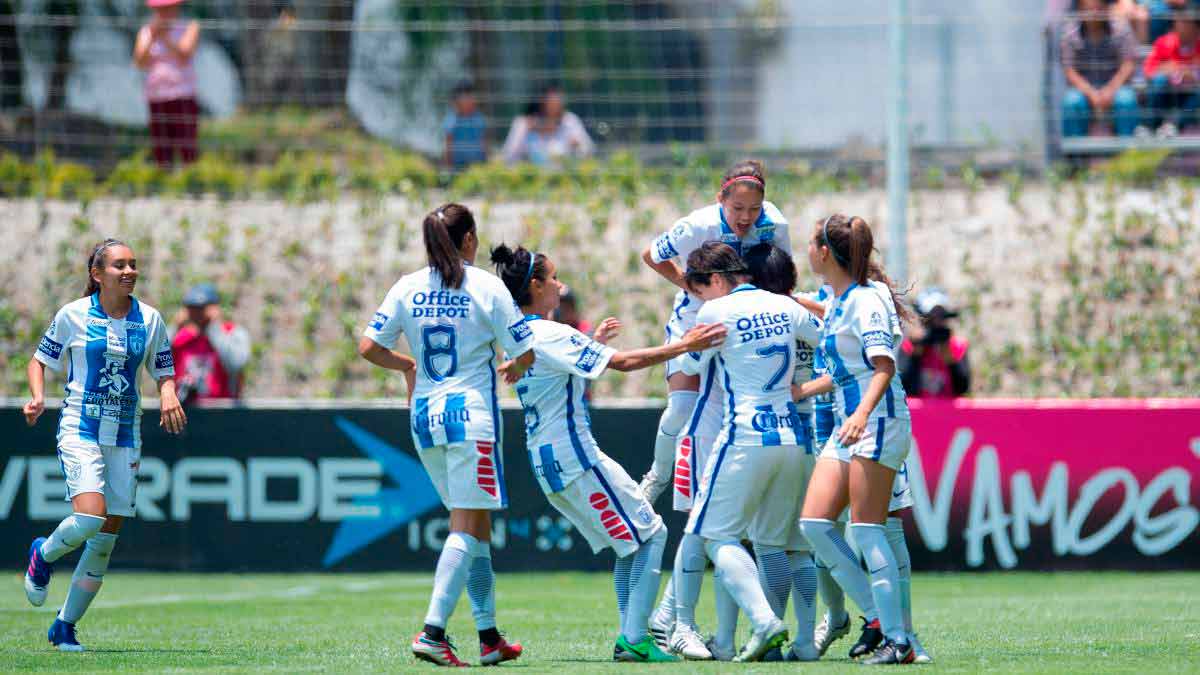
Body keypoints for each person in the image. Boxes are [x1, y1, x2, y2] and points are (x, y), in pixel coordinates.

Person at [491, 243, 725, 663]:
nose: (561, 286)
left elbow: (555, 376)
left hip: (551, 461)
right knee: (653, 534)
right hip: (574, 456)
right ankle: (635, 639)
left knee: (632, 543)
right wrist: (683, 344)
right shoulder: (549, 334)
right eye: (555, 277)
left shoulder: (521, 337)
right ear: (536, 285)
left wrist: (591, 343)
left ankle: (631, 635)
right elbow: (625, 363)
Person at [358, 203, 534, 667]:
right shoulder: (487, 286)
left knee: (476, 526)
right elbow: (526, 349)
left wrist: (408, 365)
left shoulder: (407, 286)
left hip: (424, 418)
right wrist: (517, 364)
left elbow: (368, 347)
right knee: (466, 526)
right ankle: (433, 631)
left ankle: (489, 635)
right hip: (470, 418)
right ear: (470, 239)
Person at [640, 160, 791, 659]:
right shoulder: (698, 227)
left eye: (754, 208)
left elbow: (781, 280)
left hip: (741, 340)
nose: (747, 217)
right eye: (738, 208)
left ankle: (680, 622)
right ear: (721, 200)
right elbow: (650, 254)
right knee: (681, 413)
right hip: (705, 327)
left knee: (714, 523)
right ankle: (658, 475)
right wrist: (691, 284)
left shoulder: (776, 223)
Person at [21, 238, 187, 651]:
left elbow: (163, 368)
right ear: (97, 274)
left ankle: (64, 625)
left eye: (133, 264)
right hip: (81, 428)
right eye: (119, 265)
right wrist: (38, 396)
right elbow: (41, 359)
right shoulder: (73, 315)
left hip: (126, 435)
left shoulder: (149, 319)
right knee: (91, 518)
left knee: (105, 539)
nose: (129, 271)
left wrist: (168, 392)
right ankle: (43, 554)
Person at [677, 242, 821, 663]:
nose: (699, 298)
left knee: (714, 536)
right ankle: (774, 638)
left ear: (717, 280)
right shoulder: (782, 305)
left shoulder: (714, 312)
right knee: (777, 544)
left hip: (744, 435)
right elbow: (827, 339)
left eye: (700, 288)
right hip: (791, 437)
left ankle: (763, 621)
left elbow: (688, 367)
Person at [794, 214, 917, 665]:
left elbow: (883, 366)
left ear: (825, 252)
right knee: (814, 525)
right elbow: (848, 370)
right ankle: (880, 619)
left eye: (810, 243)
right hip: (852, 425)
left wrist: (862, 414)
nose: (806, 250)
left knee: (867, 532)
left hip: (876, 422)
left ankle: (900, 641)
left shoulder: (864, 300)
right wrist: (804, 390)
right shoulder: (842, 299)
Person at [134, 0, 201, 167]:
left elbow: (185, 54)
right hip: (157, 95)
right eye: (160, 9)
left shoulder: (189, 27)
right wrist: (153, 37)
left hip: (182, 94)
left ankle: (190, 181)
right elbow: (139, 62)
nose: (163, 13)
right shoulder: (147, 31)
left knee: (187, 145)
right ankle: (163, 180)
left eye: (167, 8)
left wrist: (164, 37)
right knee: (161, 146)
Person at [1060, 0, 1142, 138]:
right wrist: (1091, 93)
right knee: (1071, 101)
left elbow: (1128, 64)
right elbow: (1069, 70)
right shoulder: (1070, 33)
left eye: (1098, 8)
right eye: (1089, 8)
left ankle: (1127, 153)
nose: (1094, 13)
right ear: (1080, 9)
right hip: (1084, 91)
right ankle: (1076, 157)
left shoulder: (1121, 29)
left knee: (1126, 100)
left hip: (1116, 88)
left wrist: (1110, 90)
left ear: (1106, 8)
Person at [171, 283, 251, 403]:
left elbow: (235, 364)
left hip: (223, 411)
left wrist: (213, 327)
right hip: (185, 412)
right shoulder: (181, 338)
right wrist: (175, 327)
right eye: (192, 308)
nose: (197, 313)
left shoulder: (232, 333)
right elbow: (156, 364)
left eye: (201, 308)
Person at [899, 287, 970, 399]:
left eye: (941, 315)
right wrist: (916, 355)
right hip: (919, 414)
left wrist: (950, 360)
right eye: (932, 316)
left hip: (948, 413)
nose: (937, 322)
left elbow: (962, 388)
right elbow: (904, 387)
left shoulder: (958, 347)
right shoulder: (909, 346)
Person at [501, 85, 594, 165]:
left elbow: (588, 149)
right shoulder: (523, 123)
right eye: (550, 103)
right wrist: (525, 132)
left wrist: (577, 145)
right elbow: (508, 155)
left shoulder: (569, 121)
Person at [1144, 14, 1200, 136]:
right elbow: (1149, 71)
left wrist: (1193, 76)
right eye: (1178, 23)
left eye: (1186, 23)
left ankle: (1173, 125)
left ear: (1196, 28)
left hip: (1192, 96)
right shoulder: (1164, 43)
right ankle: (1150, 126)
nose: (1180, 27)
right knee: (1159, 81)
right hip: (1168, 92)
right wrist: (1165, 69)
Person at [443, 82, 487, 170]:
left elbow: (484, 143)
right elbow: (448, 146)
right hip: (458, 166)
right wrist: (448, 167)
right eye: (468, 97)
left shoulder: (478, 118)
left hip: (477, 165)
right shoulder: (452, 120)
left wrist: (486, 164)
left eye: (473, 97)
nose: (472, 100)